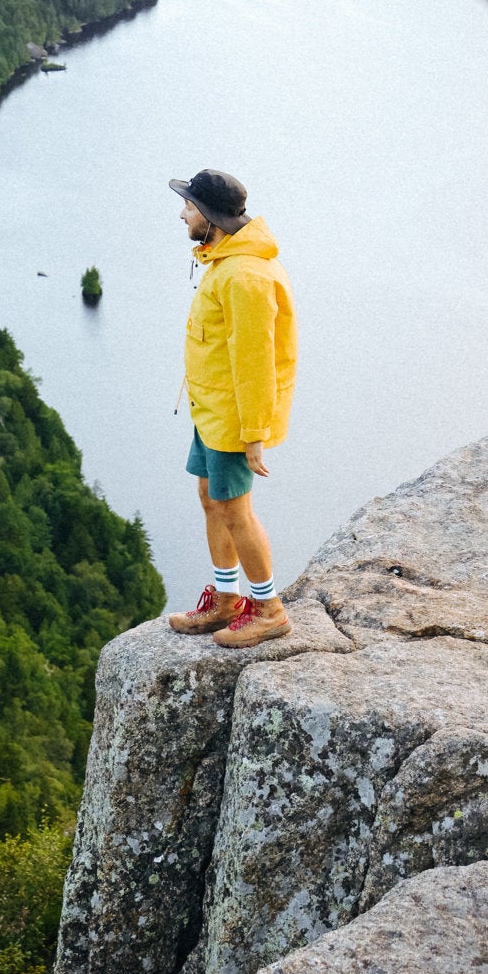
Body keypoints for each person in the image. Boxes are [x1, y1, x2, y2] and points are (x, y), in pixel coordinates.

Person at [165, 168, 297, 648]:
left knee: (236, 510)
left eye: (189, 206)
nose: (182, 213)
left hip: (235, 420)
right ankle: (226, 601)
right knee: (210, 498)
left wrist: (255, 432)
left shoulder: (244, 275)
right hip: (212, 411)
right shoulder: (225, 259)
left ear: (211, 217)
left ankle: (270, 611)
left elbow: (256, 362)